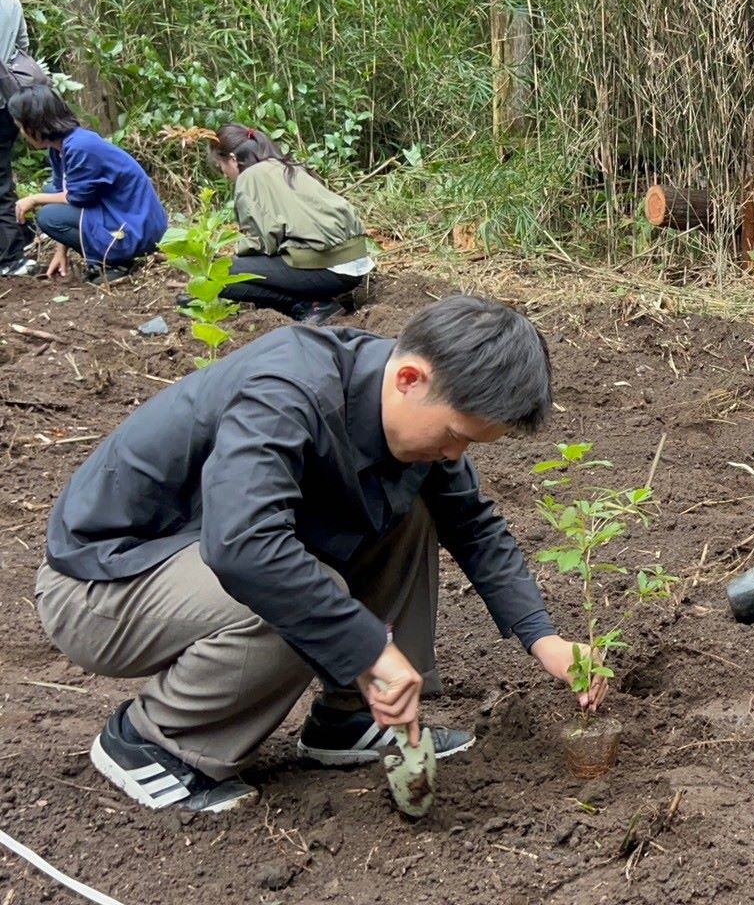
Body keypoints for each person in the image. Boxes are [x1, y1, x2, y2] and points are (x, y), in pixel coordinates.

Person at [35, 295, 603, 813]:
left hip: (192, 559)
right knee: (287, 591)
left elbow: (473, 526)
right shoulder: (287, 389)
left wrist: (542, 638)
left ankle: (349, 720)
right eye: (455, 434)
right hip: (102, 585)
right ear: (410, 377)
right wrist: (367, 648)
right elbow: (243, 547)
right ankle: (154, 741)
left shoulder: (406, 409)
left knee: (417, 511)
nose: (456, 453)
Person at [202, 122, 374, 325]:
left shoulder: (250, 177)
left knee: (218, 274)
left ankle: (312, 306)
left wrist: (231, 251)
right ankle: (312, 302)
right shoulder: (287, 166)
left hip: (328, 266)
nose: (223, 174)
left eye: (220, 167)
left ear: (232, 159)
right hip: (354, 262)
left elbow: (262, 244)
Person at [10, 84, 167, 283]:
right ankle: (108, 256)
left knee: (49, 216)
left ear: (34, 125)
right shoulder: (59, 149)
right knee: (50, 192)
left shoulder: (80, 146)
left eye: (21, 127)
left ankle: (119, 261)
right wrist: (61, 250)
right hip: (117, 213)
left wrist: (34, 199)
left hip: (137, 227)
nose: (22, 134)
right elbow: (63, 192)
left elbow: (77, 197)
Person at [0, 0, 37, 276]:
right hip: (6, 104)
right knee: (2, 177)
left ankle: (10, 256)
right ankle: (14, 250)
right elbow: (23, 46)